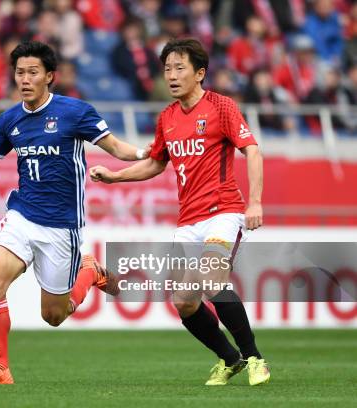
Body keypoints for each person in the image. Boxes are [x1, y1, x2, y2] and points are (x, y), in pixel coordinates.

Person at [0, 41, 150, 384]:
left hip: (62, 227)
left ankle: (89, 271)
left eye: (32, 73)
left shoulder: (75, 112)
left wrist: (148, 151)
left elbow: (115, 147)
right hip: (23, 215)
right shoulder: (10, 119)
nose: (24, 79)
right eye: (19, 73)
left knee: (54, 316)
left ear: (49, 76)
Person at [89, 38, 270, 386]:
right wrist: (115, 177)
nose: (171, 75)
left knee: (213, 280)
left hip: (224, 212)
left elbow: (253, 151)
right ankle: (230, 359)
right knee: (183, 300)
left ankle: (255, 359)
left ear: (200, 73)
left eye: (179, 68)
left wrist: (256, 201)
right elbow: (156, 164)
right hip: (189, 220)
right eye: (167, 68)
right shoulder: (167, 118)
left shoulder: (222, 106)